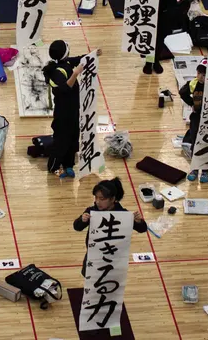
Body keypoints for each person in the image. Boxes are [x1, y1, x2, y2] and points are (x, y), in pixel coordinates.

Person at [73, 178, 148, 275]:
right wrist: (82, 220)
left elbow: (143, 229)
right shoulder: (91, 211)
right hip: (94, 253)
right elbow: (77, 227)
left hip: (114, 257)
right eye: (96, 198)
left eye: (102, 199)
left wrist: (139, 221)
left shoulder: (123, 214)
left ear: (112, 199)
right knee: (88, 276)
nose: (97, 202)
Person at [44, 40, 85, 179]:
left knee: (73, 139)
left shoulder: (66, 62)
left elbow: (80, 59)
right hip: (63, 114)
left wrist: (93, 54)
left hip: (73, 110)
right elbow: (66, 88)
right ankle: (54, 167)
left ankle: (68, 165)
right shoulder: (56, 71)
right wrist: (76, 73)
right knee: (61, 142)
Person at [181, 64, 207, 182]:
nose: (201, 76)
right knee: (195, 140)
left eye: (204, 74)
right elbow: (182, 92)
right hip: (197, 116)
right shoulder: (193, 83)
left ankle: (205, 171)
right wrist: (192, 103)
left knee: (207, 143)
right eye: (199, 73)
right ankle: (195, 168)